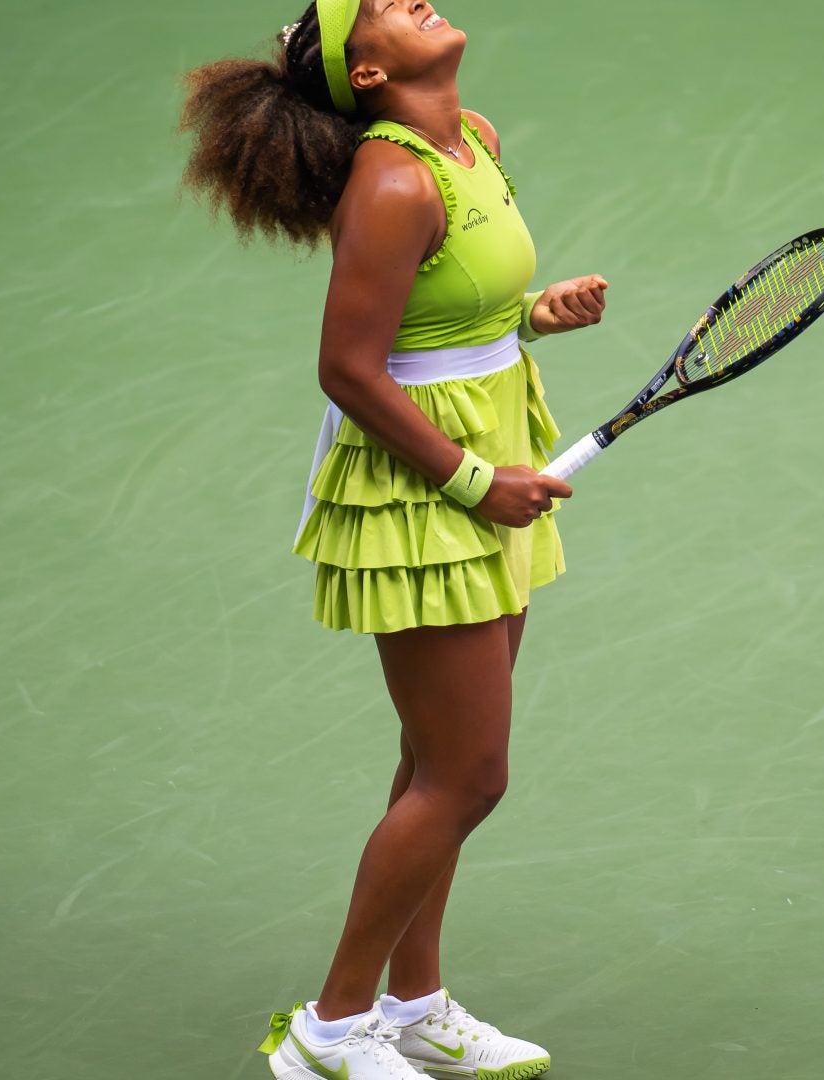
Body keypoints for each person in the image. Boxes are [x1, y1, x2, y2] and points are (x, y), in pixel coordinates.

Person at [180, 3, 608, 1077]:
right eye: (378, 9)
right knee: (468, 777)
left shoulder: (475, 144)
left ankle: (415, 1007)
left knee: (436, 762)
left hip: (492, 448)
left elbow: (452, 308)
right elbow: (349, 367)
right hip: (426, 488)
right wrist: (471, 482)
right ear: (366, 72)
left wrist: (532, 318)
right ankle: (328, 1031)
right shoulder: (394, 180)